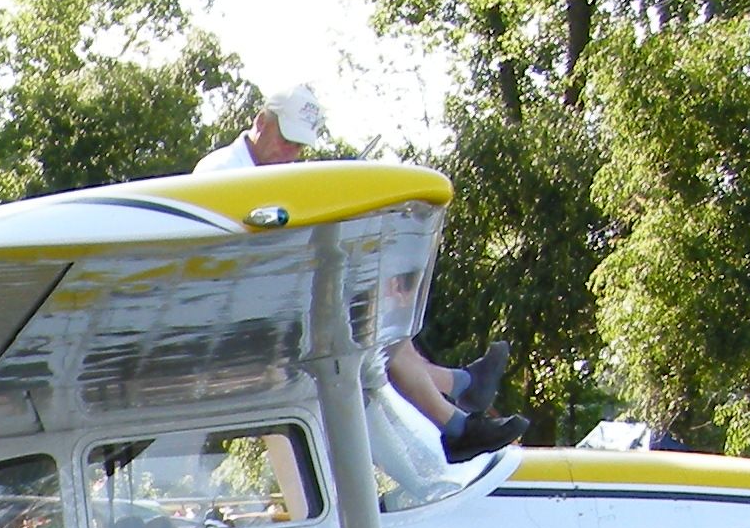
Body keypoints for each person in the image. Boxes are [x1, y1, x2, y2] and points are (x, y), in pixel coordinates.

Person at [198, 88, 524, 460]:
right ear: (260, 123)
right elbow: (235, 265)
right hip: (249, 324)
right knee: (369, 342)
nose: (292, 154)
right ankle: (459, 406)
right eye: (287, 140)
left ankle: (459, 411)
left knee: (377, 330)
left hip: (277, 309)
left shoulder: (265, 175)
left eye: (299, 146)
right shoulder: (222, 174)